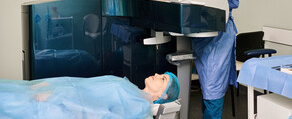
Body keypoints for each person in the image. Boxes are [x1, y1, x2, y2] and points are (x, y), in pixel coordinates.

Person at [148, 0, 239, 118]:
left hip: (218, 38)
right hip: (201, 36)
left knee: (212, 87)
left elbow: (233, 1)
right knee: (206, 85)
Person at [0, 72, 179, 119]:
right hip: (58, 100)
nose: (156, 74)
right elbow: (83, 86)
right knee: (10, 94)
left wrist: (55, 97)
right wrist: (54, 88)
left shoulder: (139, 107)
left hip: (59, 111)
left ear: (162, 95)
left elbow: (96, 114)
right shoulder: (132, 90)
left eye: (162, 79)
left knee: (10, 103)